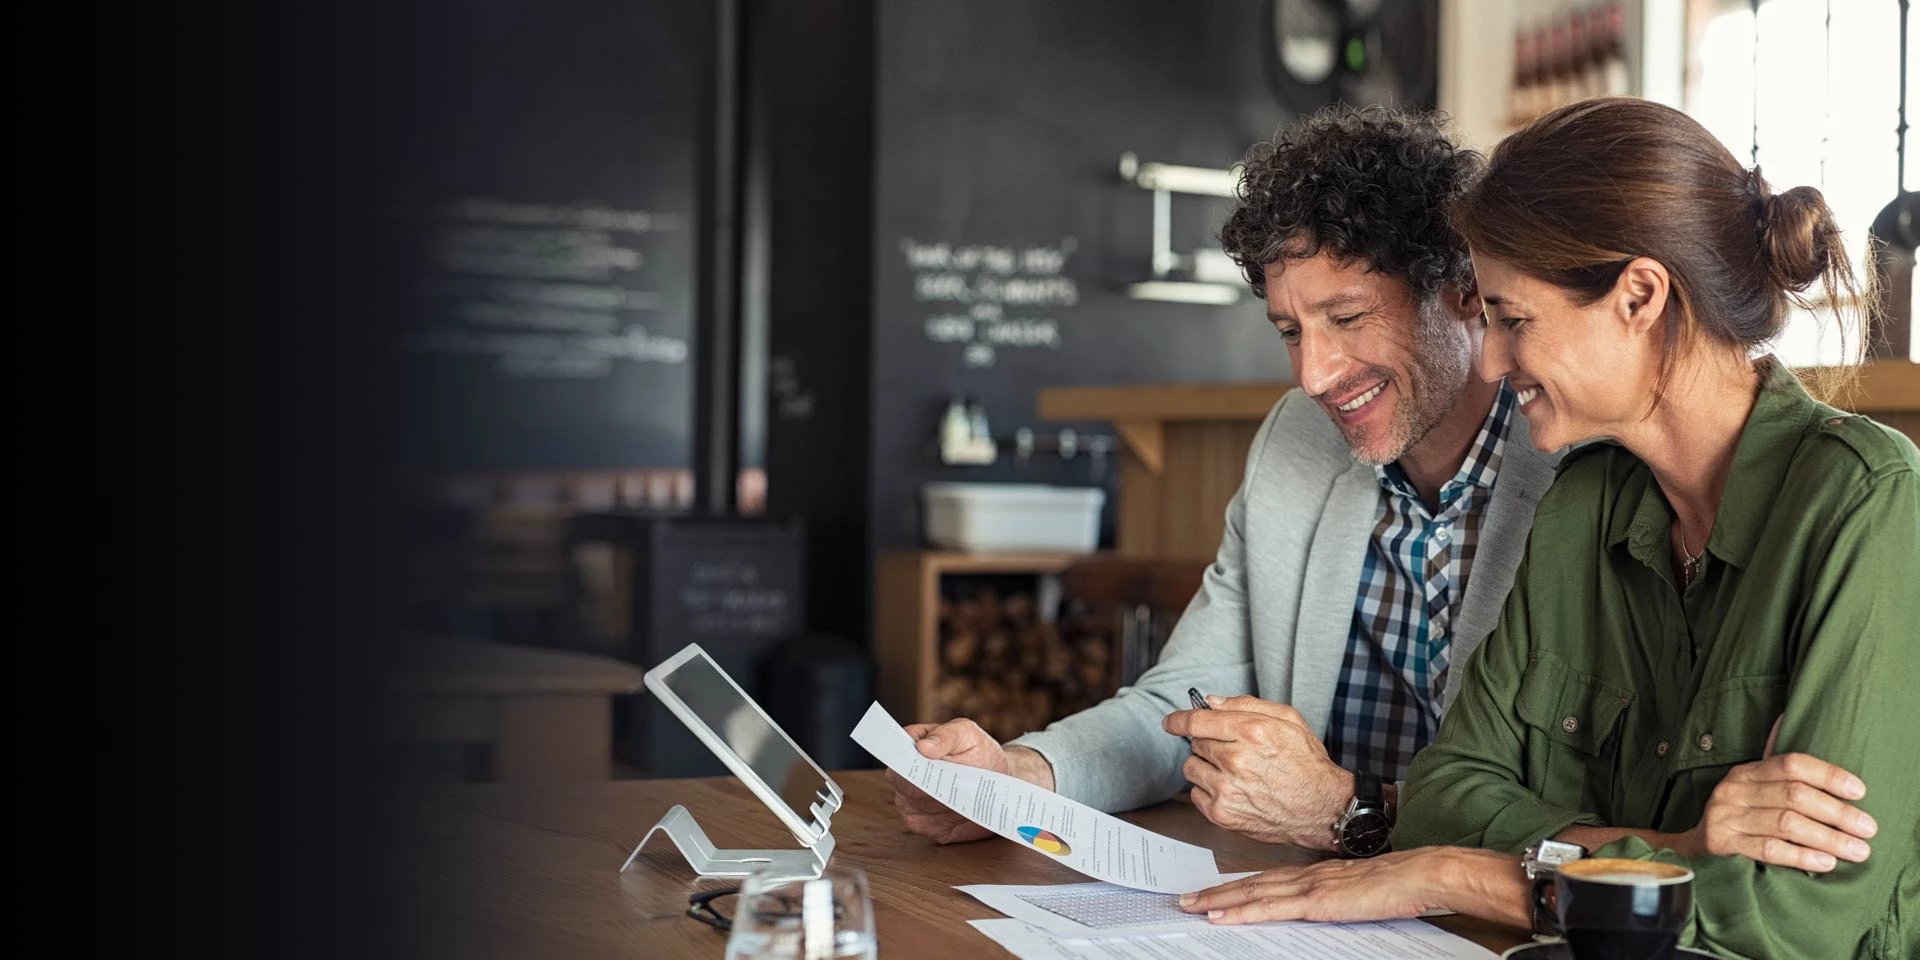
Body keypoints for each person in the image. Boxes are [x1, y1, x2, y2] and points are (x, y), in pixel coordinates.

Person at [1175, 97, 1917, 960]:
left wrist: (1452, 874)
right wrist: (1679, 853)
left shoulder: (1866, 501)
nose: (1489, 359)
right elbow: (1446, 794)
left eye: (1512, 320)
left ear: (1640, 295)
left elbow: (1790, 917)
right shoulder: (1585, 499)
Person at [889, 105, 1557, 855]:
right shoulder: (1293, 443)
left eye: (1347, 317)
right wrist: (1018, 774)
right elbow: (1184, 703)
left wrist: (1353, 809)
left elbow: (1578, 803)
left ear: (1463, 289)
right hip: (1323, 903)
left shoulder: (1577, 468)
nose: (1314, 375)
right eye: (1290, 331)